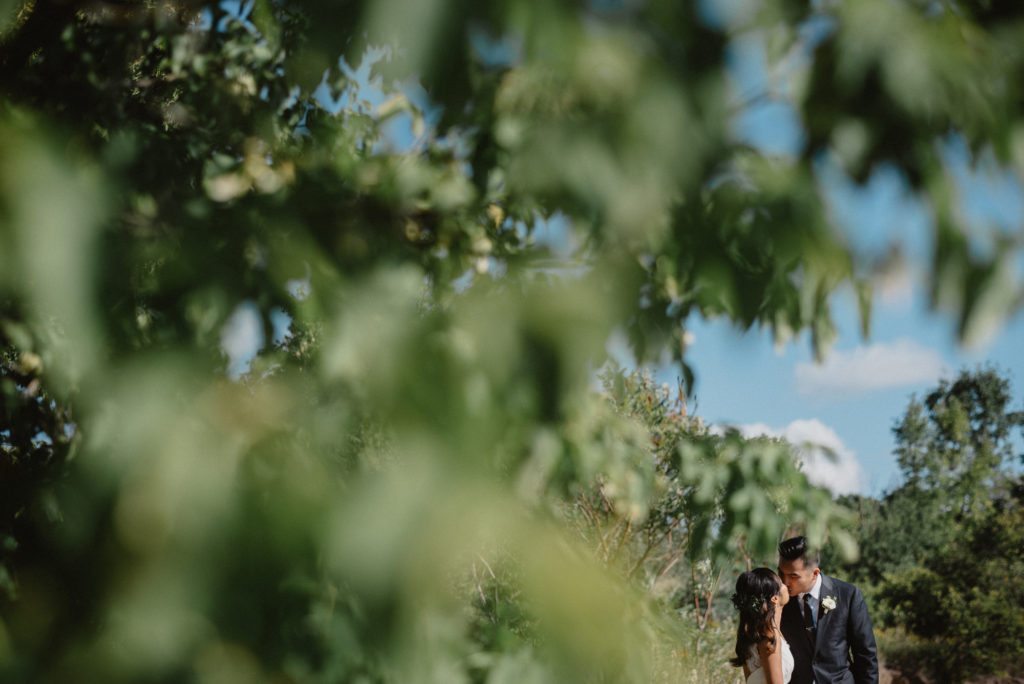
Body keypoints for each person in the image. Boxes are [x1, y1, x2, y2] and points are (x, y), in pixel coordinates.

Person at [777, 535, 878, 684]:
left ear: (815, 573)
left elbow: (865, 655)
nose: (785, 582)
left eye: (793, 576)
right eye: (781, 574)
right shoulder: (778, 601)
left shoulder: (848, 595)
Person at [731, 567, 795, 684]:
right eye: (781, 583)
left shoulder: (750, 635)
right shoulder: (769, 637)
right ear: (775, 598)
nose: (786, 583)